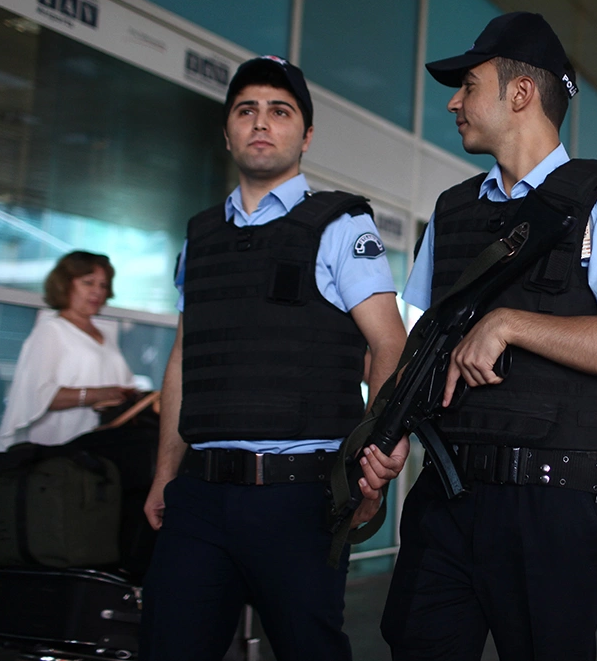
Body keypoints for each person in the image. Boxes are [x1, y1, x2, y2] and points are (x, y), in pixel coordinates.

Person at [381, 12, 597, 660]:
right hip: (447, 494)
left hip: (552, 505)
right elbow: (420, 346)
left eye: (468, 84)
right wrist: (387, 434)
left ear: (519, 94)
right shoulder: (453, 211)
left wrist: (509, 323)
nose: (454, 101)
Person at [139, 56, 409, 661]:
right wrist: (164, 472)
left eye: (279, 111)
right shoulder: (199, 237)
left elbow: (389, 343)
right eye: (246, 110)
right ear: (228, 130)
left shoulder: (340, 227)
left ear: (305, 135)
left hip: (300, 500)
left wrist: (376, 458)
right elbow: (186, 358)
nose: (262, 123)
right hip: (200, 499)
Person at [0, 252, 136, 451]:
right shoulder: (51, 331)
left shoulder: (106, 336)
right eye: (88, 282)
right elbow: (36, 394)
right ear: (65, 284)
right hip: (58, 447)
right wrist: (95, 395)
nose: (97, 291)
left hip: (98, 447)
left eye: (103, 285)